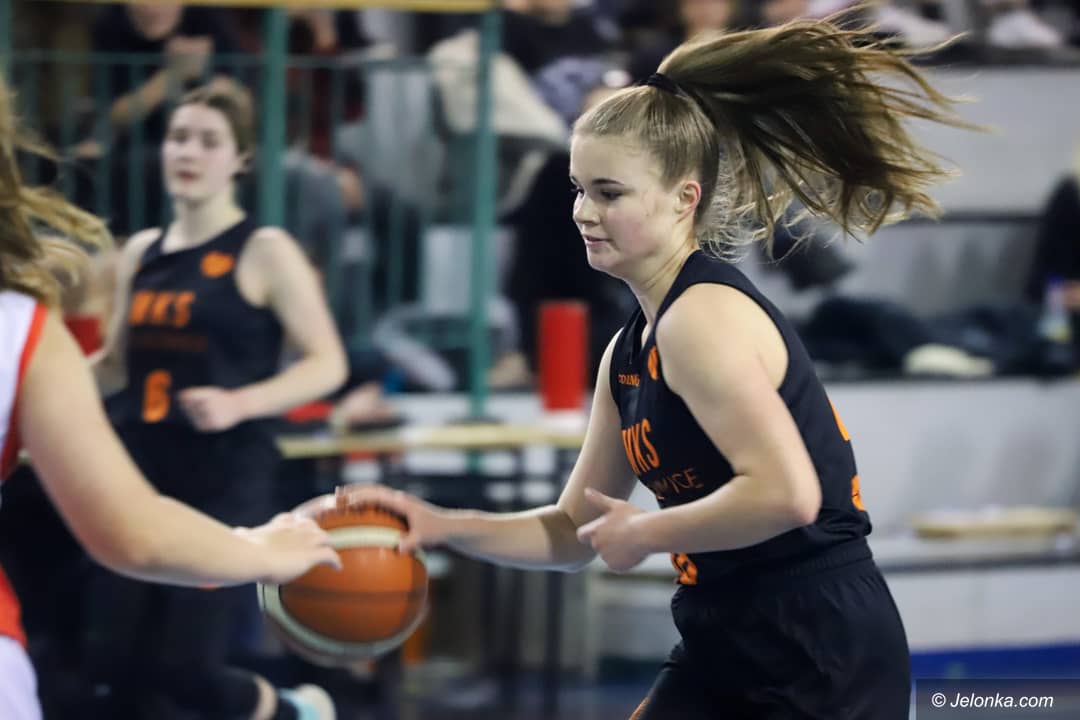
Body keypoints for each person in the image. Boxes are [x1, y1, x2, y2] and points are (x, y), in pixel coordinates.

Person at [344, 15, 974, 719]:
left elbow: (787, 495)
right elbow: (572, 531)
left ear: (685, 198)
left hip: (816, 643)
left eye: (609, 192)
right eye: (578, 189)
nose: (583, 212)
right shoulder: (629, 348)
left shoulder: (700, 320)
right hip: (724, 631)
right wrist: (440, 525)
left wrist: (646, 532)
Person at [0, 71, 340, 720]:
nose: (188, 152)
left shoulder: (265, 249)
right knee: (114, 666)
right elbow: (114, 365)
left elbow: (328, 363)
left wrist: (243, 402)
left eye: (209, 141)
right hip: (141, 462)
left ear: (241, 159)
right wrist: (37, 395)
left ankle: (296, 711)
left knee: (186, 668)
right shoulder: (140, 253)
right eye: (179, 137)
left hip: (223, 472)